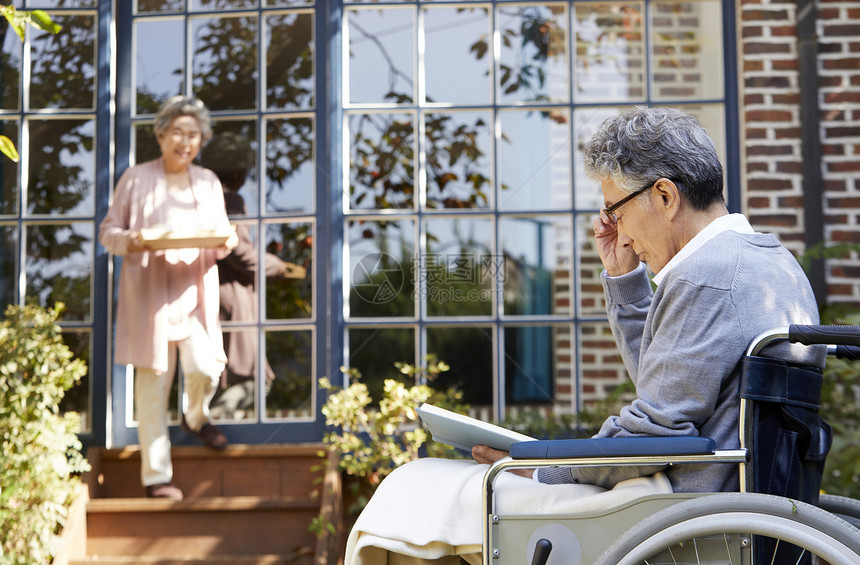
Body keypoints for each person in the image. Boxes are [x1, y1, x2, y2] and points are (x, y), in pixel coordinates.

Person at [344, 106, 825, 564]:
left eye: (615, 210)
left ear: (664, 196)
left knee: (420, 486)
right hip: (716, 493)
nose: (617, 230)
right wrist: (624, 278)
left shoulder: (707, 277)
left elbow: (656, 431)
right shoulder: (766, 262)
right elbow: (664, 392)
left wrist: (543, 467)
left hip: (683, 506)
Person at [99, 95, 239, 501]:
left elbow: (219, 237)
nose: (185, 141)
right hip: (149, 296)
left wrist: (227, 240)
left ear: (201, 141)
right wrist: (135, 239)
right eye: (177, 132)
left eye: (193, 134)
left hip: (192, 292)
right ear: (161, 135)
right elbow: (109, 233)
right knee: (151, 390)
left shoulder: (209, 181)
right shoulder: (135, 178)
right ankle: (157, 478)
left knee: (205, 369)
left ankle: (195, 418)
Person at [199, 132, 295, 419]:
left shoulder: (203, 199)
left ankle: (214, 429)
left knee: (232, 378)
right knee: (255, 382)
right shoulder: (230, 200)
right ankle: (205, 422)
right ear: (239, 171)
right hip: (233, 297)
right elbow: (241, 254)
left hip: (216, 292)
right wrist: (277, 265)